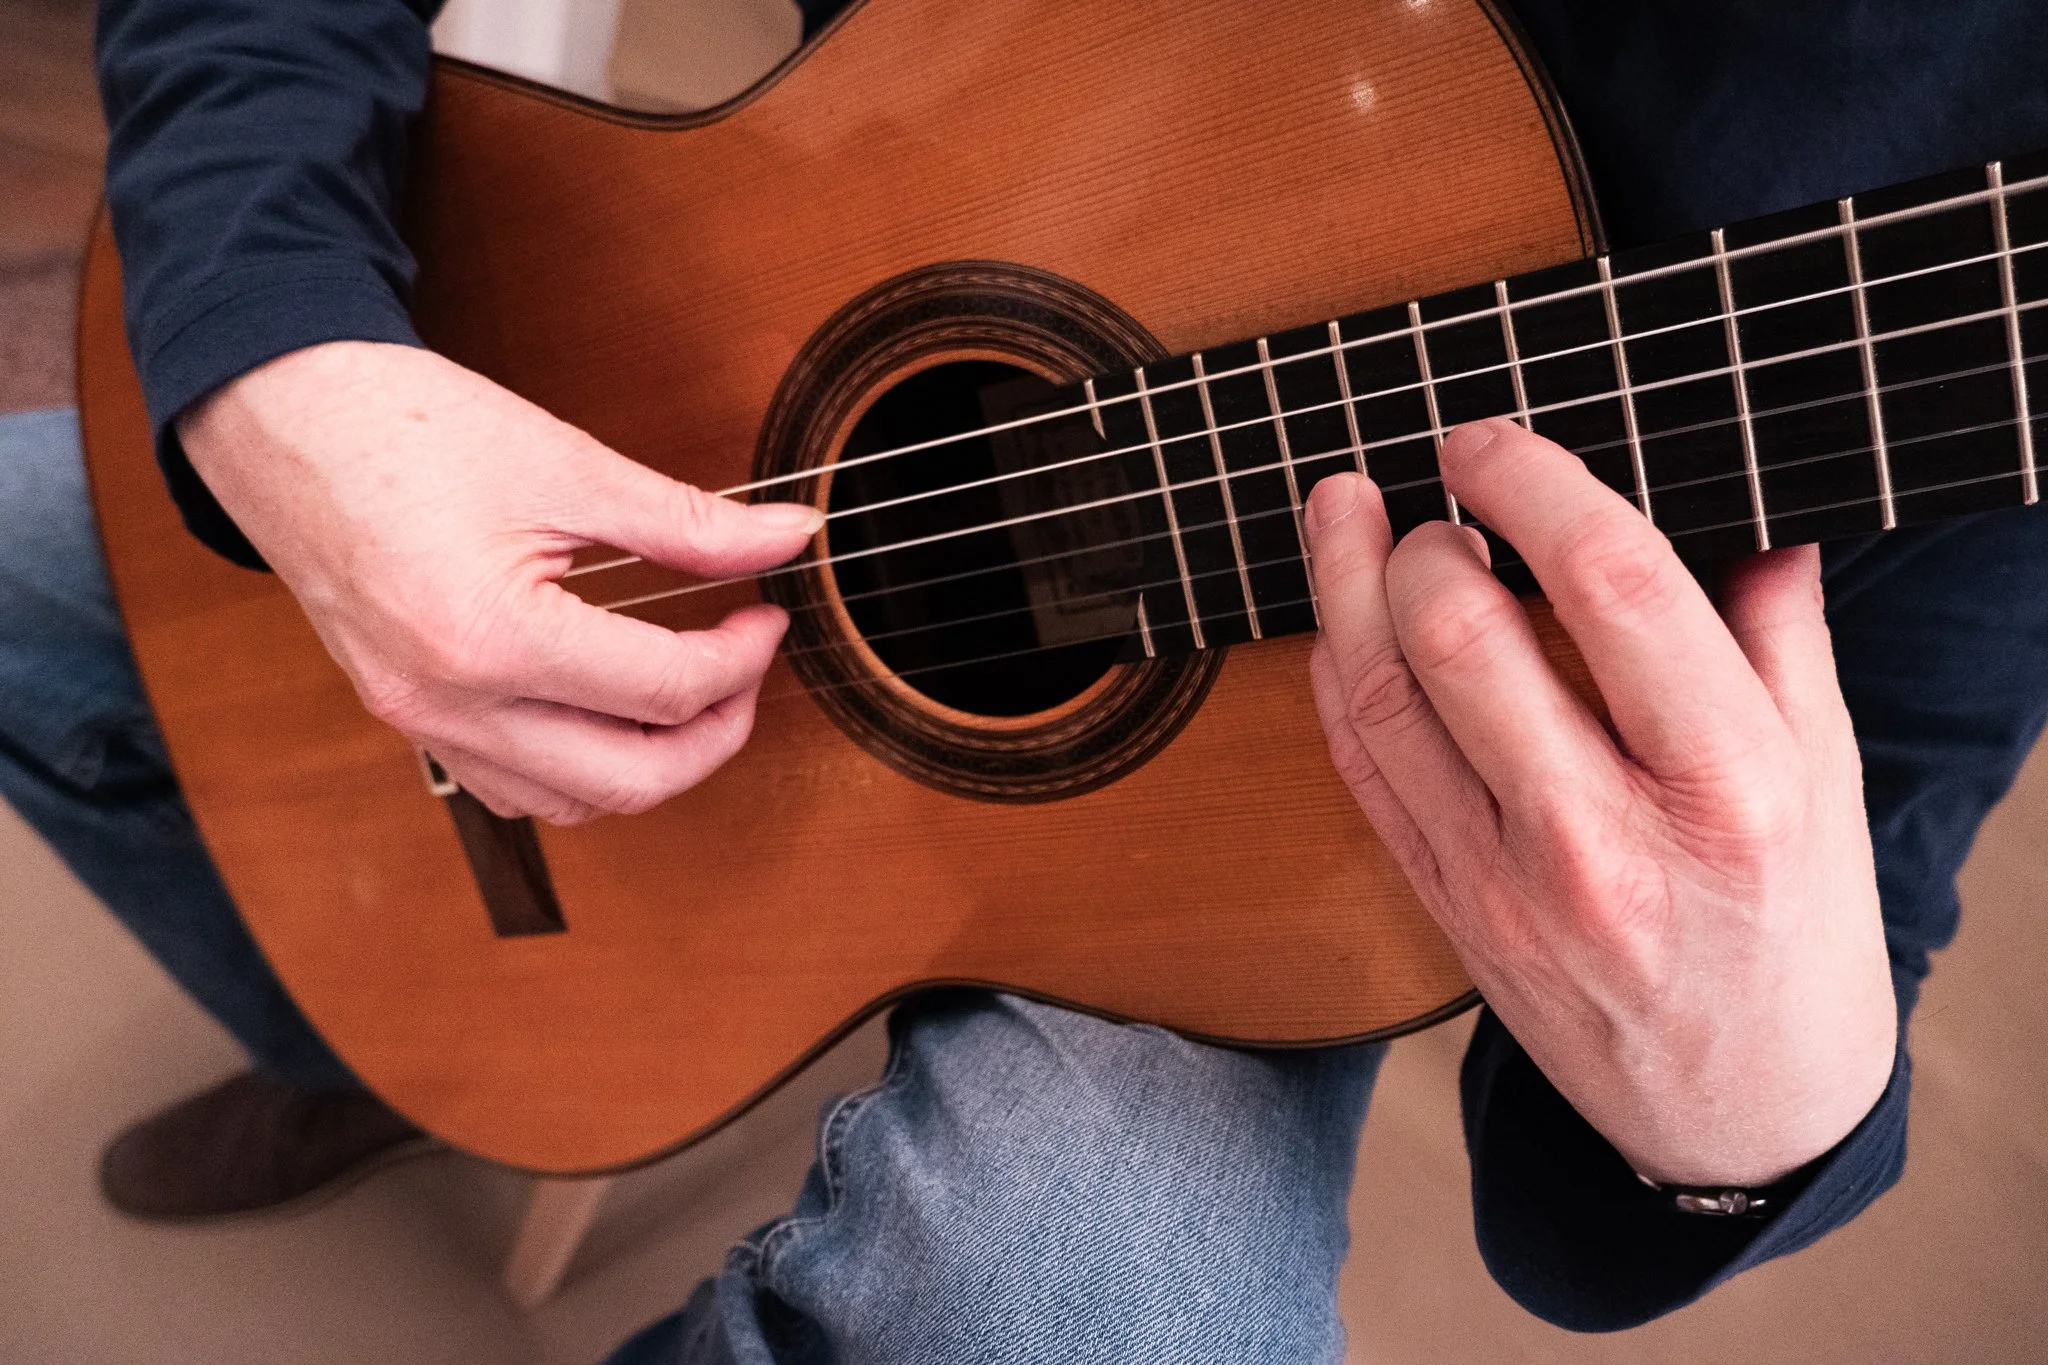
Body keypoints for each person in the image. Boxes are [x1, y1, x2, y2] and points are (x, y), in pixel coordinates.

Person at [0, 0, 2029, 1356]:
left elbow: (1877, 838)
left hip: (1284, 826)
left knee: (1068, 1297)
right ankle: (401, 1033)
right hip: (694, 318)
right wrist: (274, 352)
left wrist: (1755, 1118)